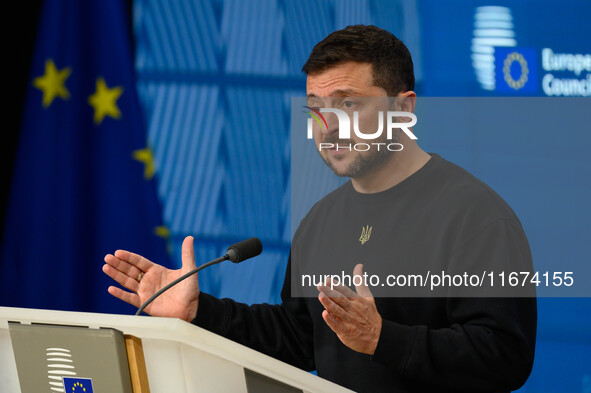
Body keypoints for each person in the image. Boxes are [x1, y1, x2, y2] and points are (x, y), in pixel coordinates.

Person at [103, 25, 536, 392]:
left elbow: (505, 355)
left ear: (404, 108)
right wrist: (199, 313)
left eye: (348, 104)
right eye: (316, 109)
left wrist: (382, 338)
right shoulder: (320, 221)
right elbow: (300, 338)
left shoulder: (475, 215)